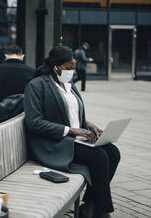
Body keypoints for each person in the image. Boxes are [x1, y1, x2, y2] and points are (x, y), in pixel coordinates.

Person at [24, 46, 120, 218]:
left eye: (74, 67)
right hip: (53, 144)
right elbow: (34, 123)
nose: (72, 71)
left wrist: (89, 125)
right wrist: (72, 131)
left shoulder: (70, 85)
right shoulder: (36, 85)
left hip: (74, 139)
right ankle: (102, 212)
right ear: (56, 66)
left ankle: (89, 206)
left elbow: (75, 115)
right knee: (99, 156)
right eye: (69, 67)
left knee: (113, 152)